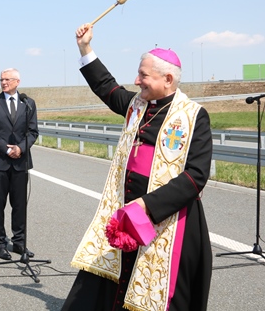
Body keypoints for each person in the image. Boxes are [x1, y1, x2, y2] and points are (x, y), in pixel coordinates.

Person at [61, 23, 213, 311]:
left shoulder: (193, 116)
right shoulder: (136, 104)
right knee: (113, 280)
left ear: (168, 79)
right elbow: (106, 86)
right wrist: (85, 48)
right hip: (125, 208)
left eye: (143, 75)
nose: (137, 80)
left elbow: (196, 177)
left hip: (166, 215)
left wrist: (147, 205)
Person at [0, 68, 39, 260]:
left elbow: (33, 132)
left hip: (21, 163)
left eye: (7, 79)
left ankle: (19, 243)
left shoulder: (28, 103)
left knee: (20, 205)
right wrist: (6, 150)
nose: (4, 82)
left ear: (17, 81)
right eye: (1, 79)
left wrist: (20, 148)